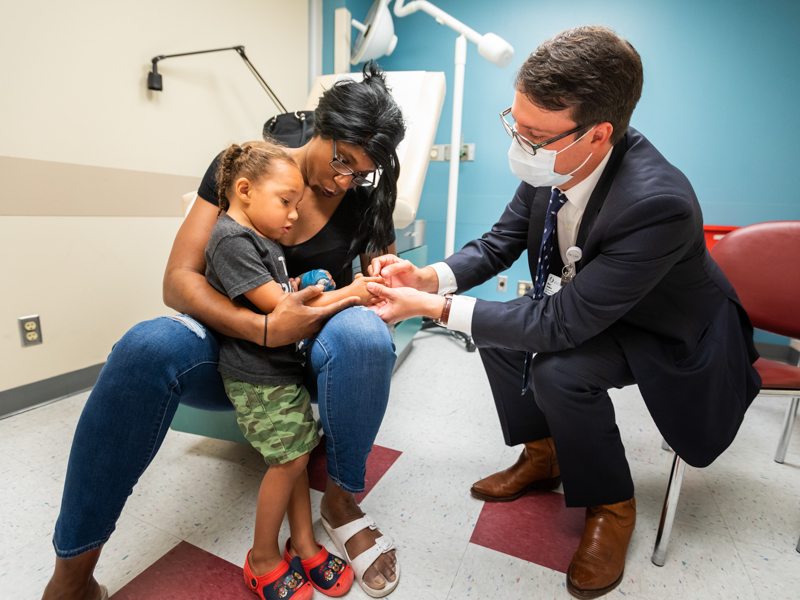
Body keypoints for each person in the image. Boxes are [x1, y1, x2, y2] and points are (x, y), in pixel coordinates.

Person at [365, 26, 761, 599]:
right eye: (515, 123)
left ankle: (611, 506)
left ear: (598, 134)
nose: (519, 143)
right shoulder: (553, 160)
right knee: (503, 334)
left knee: (558, 369)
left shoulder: (658, 203)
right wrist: (428, 276)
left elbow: (559, 326)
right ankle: (544, 456)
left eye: (534, 134)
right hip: (590, 307)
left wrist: (429, 307)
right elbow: (500, 241)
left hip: (666, 329)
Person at [43, 62, 405, 600]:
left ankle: (341, 501)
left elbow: (377, 284)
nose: (344, 180)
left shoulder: (362, 199)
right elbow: (179, 281)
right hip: (238, 348)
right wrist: (261, 328)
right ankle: (73, 572)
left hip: (311, 350)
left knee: (365, 334)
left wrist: (377, 282)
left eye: (361, 172)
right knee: (146, 345)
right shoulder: (247, 169)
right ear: (321, 126)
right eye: (341, 161)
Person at [206, 140, 385, 599]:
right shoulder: (229, 238)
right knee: (286, 463)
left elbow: (279, 288)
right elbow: (281, 310)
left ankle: (303, 543)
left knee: (298, 457)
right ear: (244, 190)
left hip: (278, 371)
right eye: (285, 202)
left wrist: (305, 282)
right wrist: (351, 293)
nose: (293, 215)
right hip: (256, 377)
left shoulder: (262, 240)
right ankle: (262, 557)